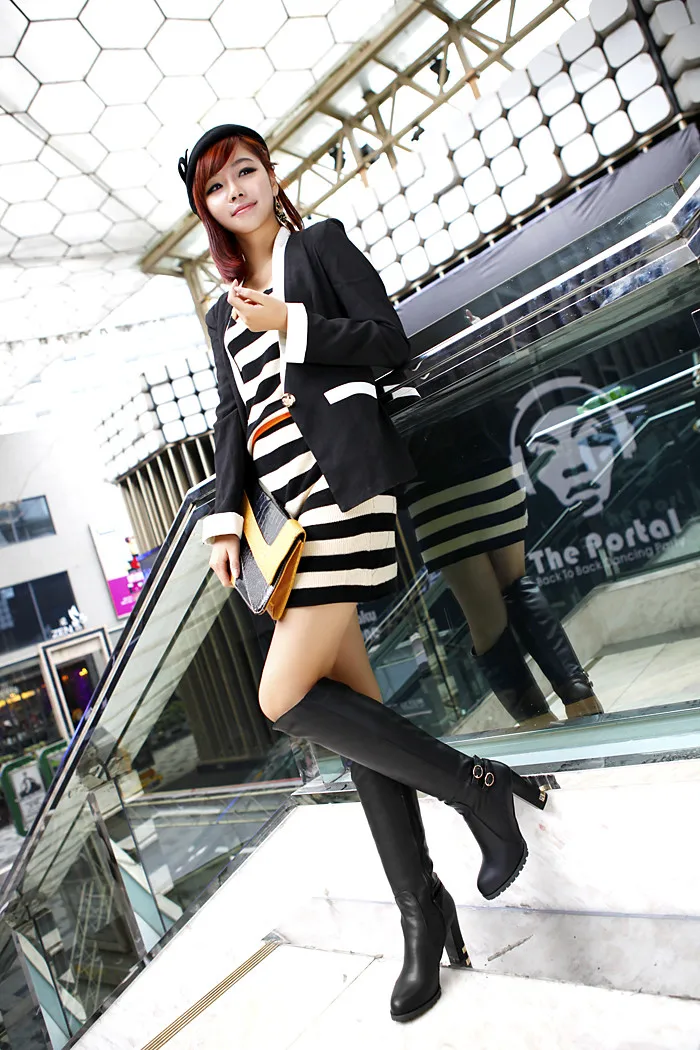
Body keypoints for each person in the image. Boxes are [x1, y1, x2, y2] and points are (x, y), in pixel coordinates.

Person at [178, 124, 548, 1023]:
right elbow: (233, 421)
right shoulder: (221, 311)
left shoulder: (320, 248)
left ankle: (478, 789)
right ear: (206, 210)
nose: (237, 191)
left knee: (282, 697)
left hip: (345, 488)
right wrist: (225, 518)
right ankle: (424, 913)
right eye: (218, 186)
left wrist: (292, 324)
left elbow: (387, 341)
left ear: (271, 176)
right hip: (286, 517)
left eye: (246, 172)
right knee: (353, 713)